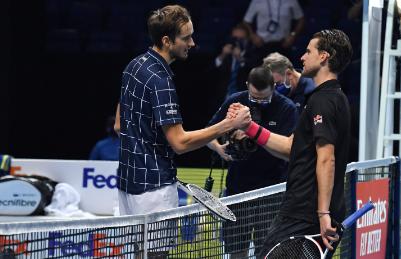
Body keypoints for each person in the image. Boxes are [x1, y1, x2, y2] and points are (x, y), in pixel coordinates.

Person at [117, 5, 251, 257]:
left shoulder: (133, 66)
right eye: (186, 37)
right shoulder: (161, 80)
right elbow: (179, 143)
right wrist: (228, 125)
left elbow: (119, 125)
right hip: (154, 190)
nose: (193, 42)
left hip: (127, 184)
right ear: (167, 41)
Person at [229, 29, 353, 258]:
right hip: (306, 211)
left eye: (308, 51)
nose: (302, 58)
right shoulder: (331, 98)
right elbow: (290, 147)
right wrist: (249, 127)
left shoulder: (324, 101)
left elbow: (327, 158)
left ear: (324, 56)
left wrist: (323, 212)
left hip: (305, 213)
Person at [207, 66, 297, 258]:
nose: (259, 102)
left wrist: (252, 133)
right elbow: (208, 134)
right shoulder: (235, 101)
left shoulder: (287, 108)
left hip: (272, 193)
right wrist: (220, 149)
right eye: (254, 98)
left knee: (268, 252)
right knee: (236, 252)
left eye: (264, 99)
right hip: (238, 191)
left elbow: (291, 152)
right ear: (247, 86)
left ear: (274, 86)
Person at [243, 0, 305, 65]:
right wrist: (253, 36)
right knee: (261, 74)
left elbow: (301, 19)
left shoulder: (291, 1)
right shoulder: (257, 1)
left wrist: (293, 35)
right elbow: (246, 21)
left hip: (283, 46)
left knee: (283, 73)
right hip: (262, 46)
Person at [214, 23, 254, 100]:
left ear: (247, 39)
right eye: (235, 38)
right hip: (223, 97)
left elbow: (252, 73)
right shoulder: (225, 52)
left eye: (241, 39)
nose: (237, 42)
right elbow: (211, 75)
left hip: (243, 98)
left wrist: (240, 58)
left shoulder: (253, 53)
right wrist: (222, 56)